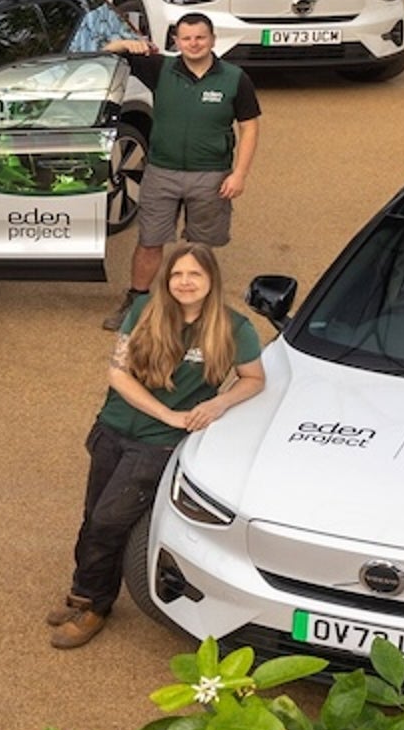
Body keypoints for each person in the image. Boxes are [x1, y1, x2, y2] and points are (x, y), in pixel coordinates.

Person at [52, 242, 264, 649]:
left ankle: (95, 606)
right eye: (177, 274)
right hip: (113, 427)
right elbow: (118, 374)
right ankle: (83, 592)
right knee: (94, 515)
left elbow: (254, 378)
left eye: (195, 274)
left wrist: (218, 403)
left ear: (211, 279)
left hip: (157, 445)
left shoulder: (234, 327)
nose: (185, 282)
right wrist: (167, 413)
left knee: (108, 522)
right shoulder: (144, 310)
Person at [102, 10, 260, 331]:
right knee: (149, 241)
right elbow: (105, 54)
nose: (194, 43)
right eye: (186, 38)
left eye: (200, 37)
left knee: (199, 247)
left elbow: (250, 127)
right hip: (161, 172)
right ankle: (136, 303)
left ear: (213, 39)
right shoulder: (160, 68)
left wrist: (239, 174)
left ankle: (197, 310)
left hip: (211, 175)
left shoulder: (235, 78)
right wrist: (126, 43)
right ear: (176, 41)